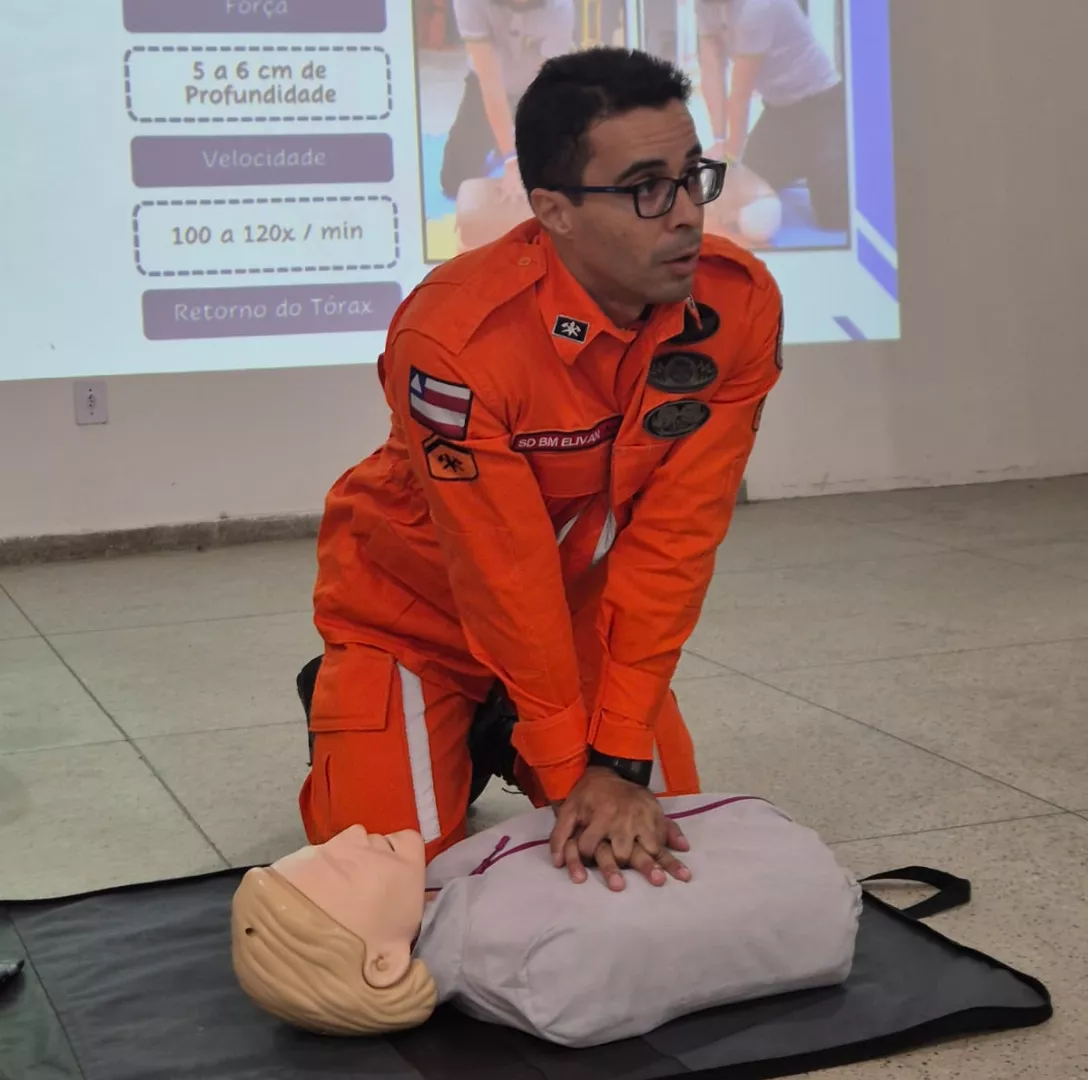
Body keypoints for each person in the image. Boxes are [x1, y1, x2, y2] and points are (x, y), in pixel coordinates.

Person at [298, 45, 784, 891]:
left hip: (578, 622)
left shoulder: (736, 306)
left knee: (665, 859)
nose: (685, 215)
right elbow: (501, 569)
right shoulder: (456, 337)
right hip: (415, 621)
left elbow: (676, 541)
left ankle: (502, 727)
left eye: (692, 176)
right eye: (646, 188)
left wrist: (619, 756)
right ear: (554, 210)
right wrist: (569, 771)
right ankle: (378, 703)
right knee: (390, 891)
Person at [233, 796, 861, 1046]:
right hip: (796, 877)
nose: (349, 833)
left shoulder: (448, 878)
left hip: (771, 850)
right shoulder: (538, 974)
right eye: (340, 867)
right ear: (383, 961)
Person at [696, 0, 850, 233]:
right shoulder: (704, 5)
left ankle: (819, 163)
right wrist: (719, 141)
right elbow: (711, 72)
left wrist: (730, 158)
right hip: (779, 113)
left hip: (823, 105)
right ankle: (801, 163)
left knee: (834, 217)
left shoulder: (759, 6)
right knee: (741, 198)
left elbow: (740, 95)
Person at [441, 0, 577, 203]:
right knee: (453, 181)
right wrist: (511, 160)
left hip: (535, 88)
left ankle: (505, 142)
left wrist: (524, 158)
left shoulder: (560, 6)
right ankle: (501, 144)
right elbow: (490, 83)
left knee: (555, 178)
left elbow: (545, 89)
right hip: (486, 86)